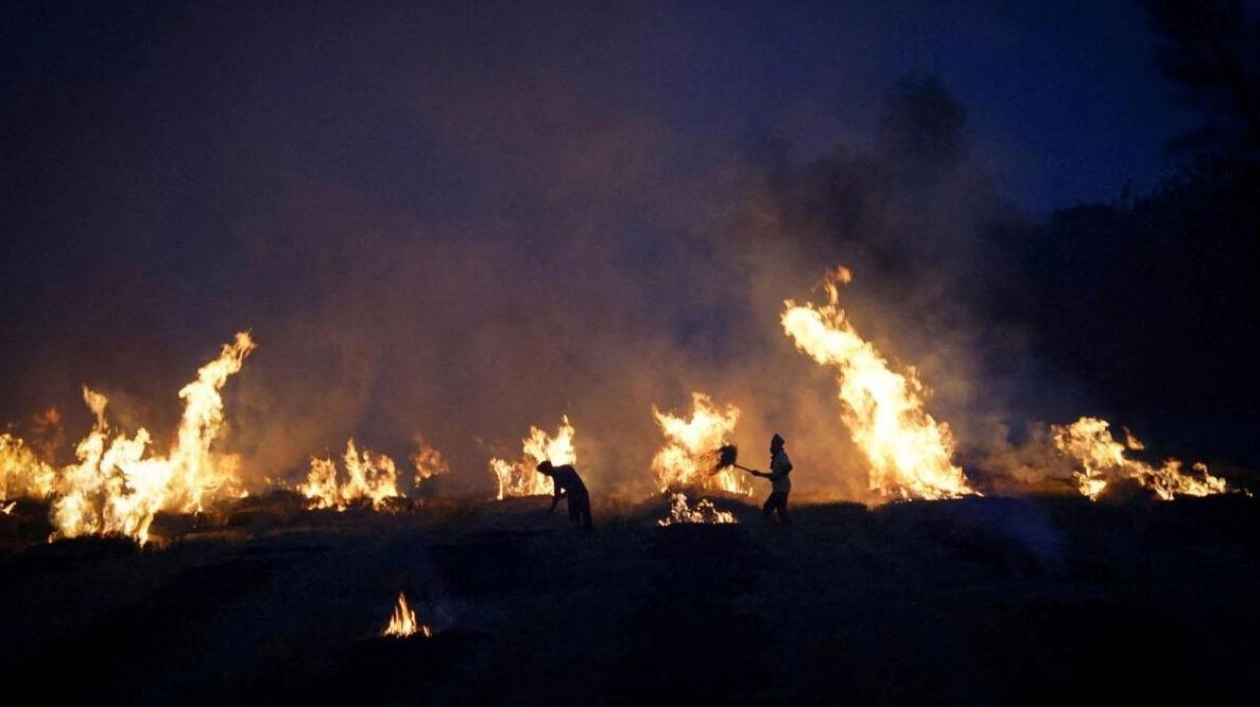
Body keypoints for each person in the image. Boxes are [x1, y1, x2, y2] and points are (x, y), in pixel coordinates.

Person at [535, 460, 593, 531]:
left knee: (582, 519)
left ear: (547, 469)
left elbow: (573, 484)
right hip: (576, 495)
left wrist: (552, 508)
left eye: (544, 472)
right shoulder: (560, 474)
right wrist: (552, 507)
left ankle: (585, 534)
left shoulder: (565, 469)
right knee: (577, 520)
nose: (545, 474)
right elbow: (558, 494)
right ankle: (582, 534)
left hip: (580, 494)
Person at [751, 433, 792, 524]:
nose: (771, 447)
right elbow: (773, 475)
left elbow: (789, 467)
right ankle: (779, 525)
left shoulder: (781, 456)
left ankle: (782, 527)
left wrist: (777, 476)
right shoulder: (777, 457)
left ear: (777, 446)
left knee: (770, 508)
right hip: (779, 489)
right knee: (776, 510)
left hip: (781, 489)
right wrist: (759, 474)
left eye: (773, 445)